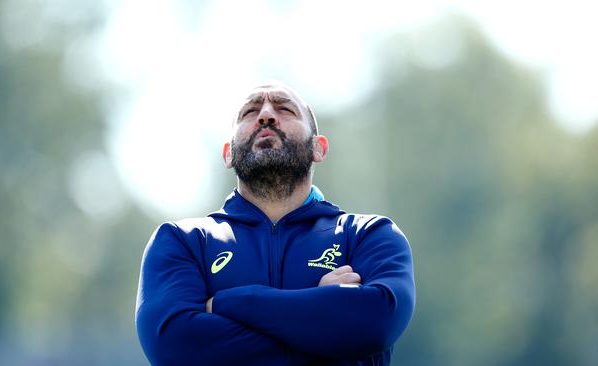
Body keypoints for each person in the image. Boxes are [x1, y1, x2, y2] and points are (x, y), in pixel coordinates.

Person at [135, 83, 415, 366]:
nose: (266, 115)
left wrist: (226, 303)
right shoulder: (183, 241)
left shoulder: (368, 235)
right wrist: (323, 319)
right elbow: (176, 348)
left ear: (318, 148)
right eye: (250, 111)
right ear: (228, 154)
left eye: (284, 109)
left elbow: (374, 324)